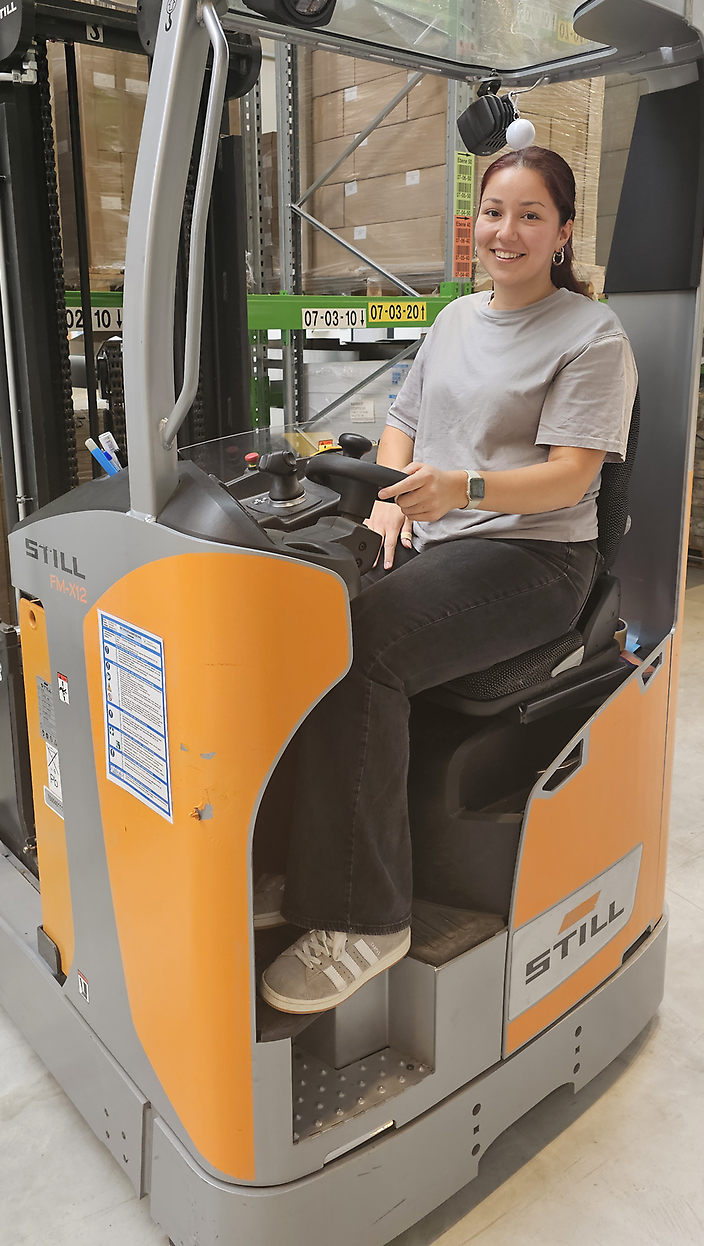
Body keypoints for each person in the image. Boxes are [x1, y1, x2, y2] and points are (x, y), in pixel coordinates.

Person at [259, 145, 638, 1015]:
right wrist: (391, 501)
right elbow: (401, 421)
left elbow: (572, 478)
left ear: (562, 233)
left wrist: (459, 489)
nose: (506, 231)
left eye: (530, 215)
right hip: (442, 533)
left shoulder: (592, 337)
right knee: (294, 618)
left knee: (361, 652)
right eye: (493, 211)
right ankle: (305, 864)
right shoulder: (457, 318)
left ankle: (366, 918)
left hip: (535, 560)